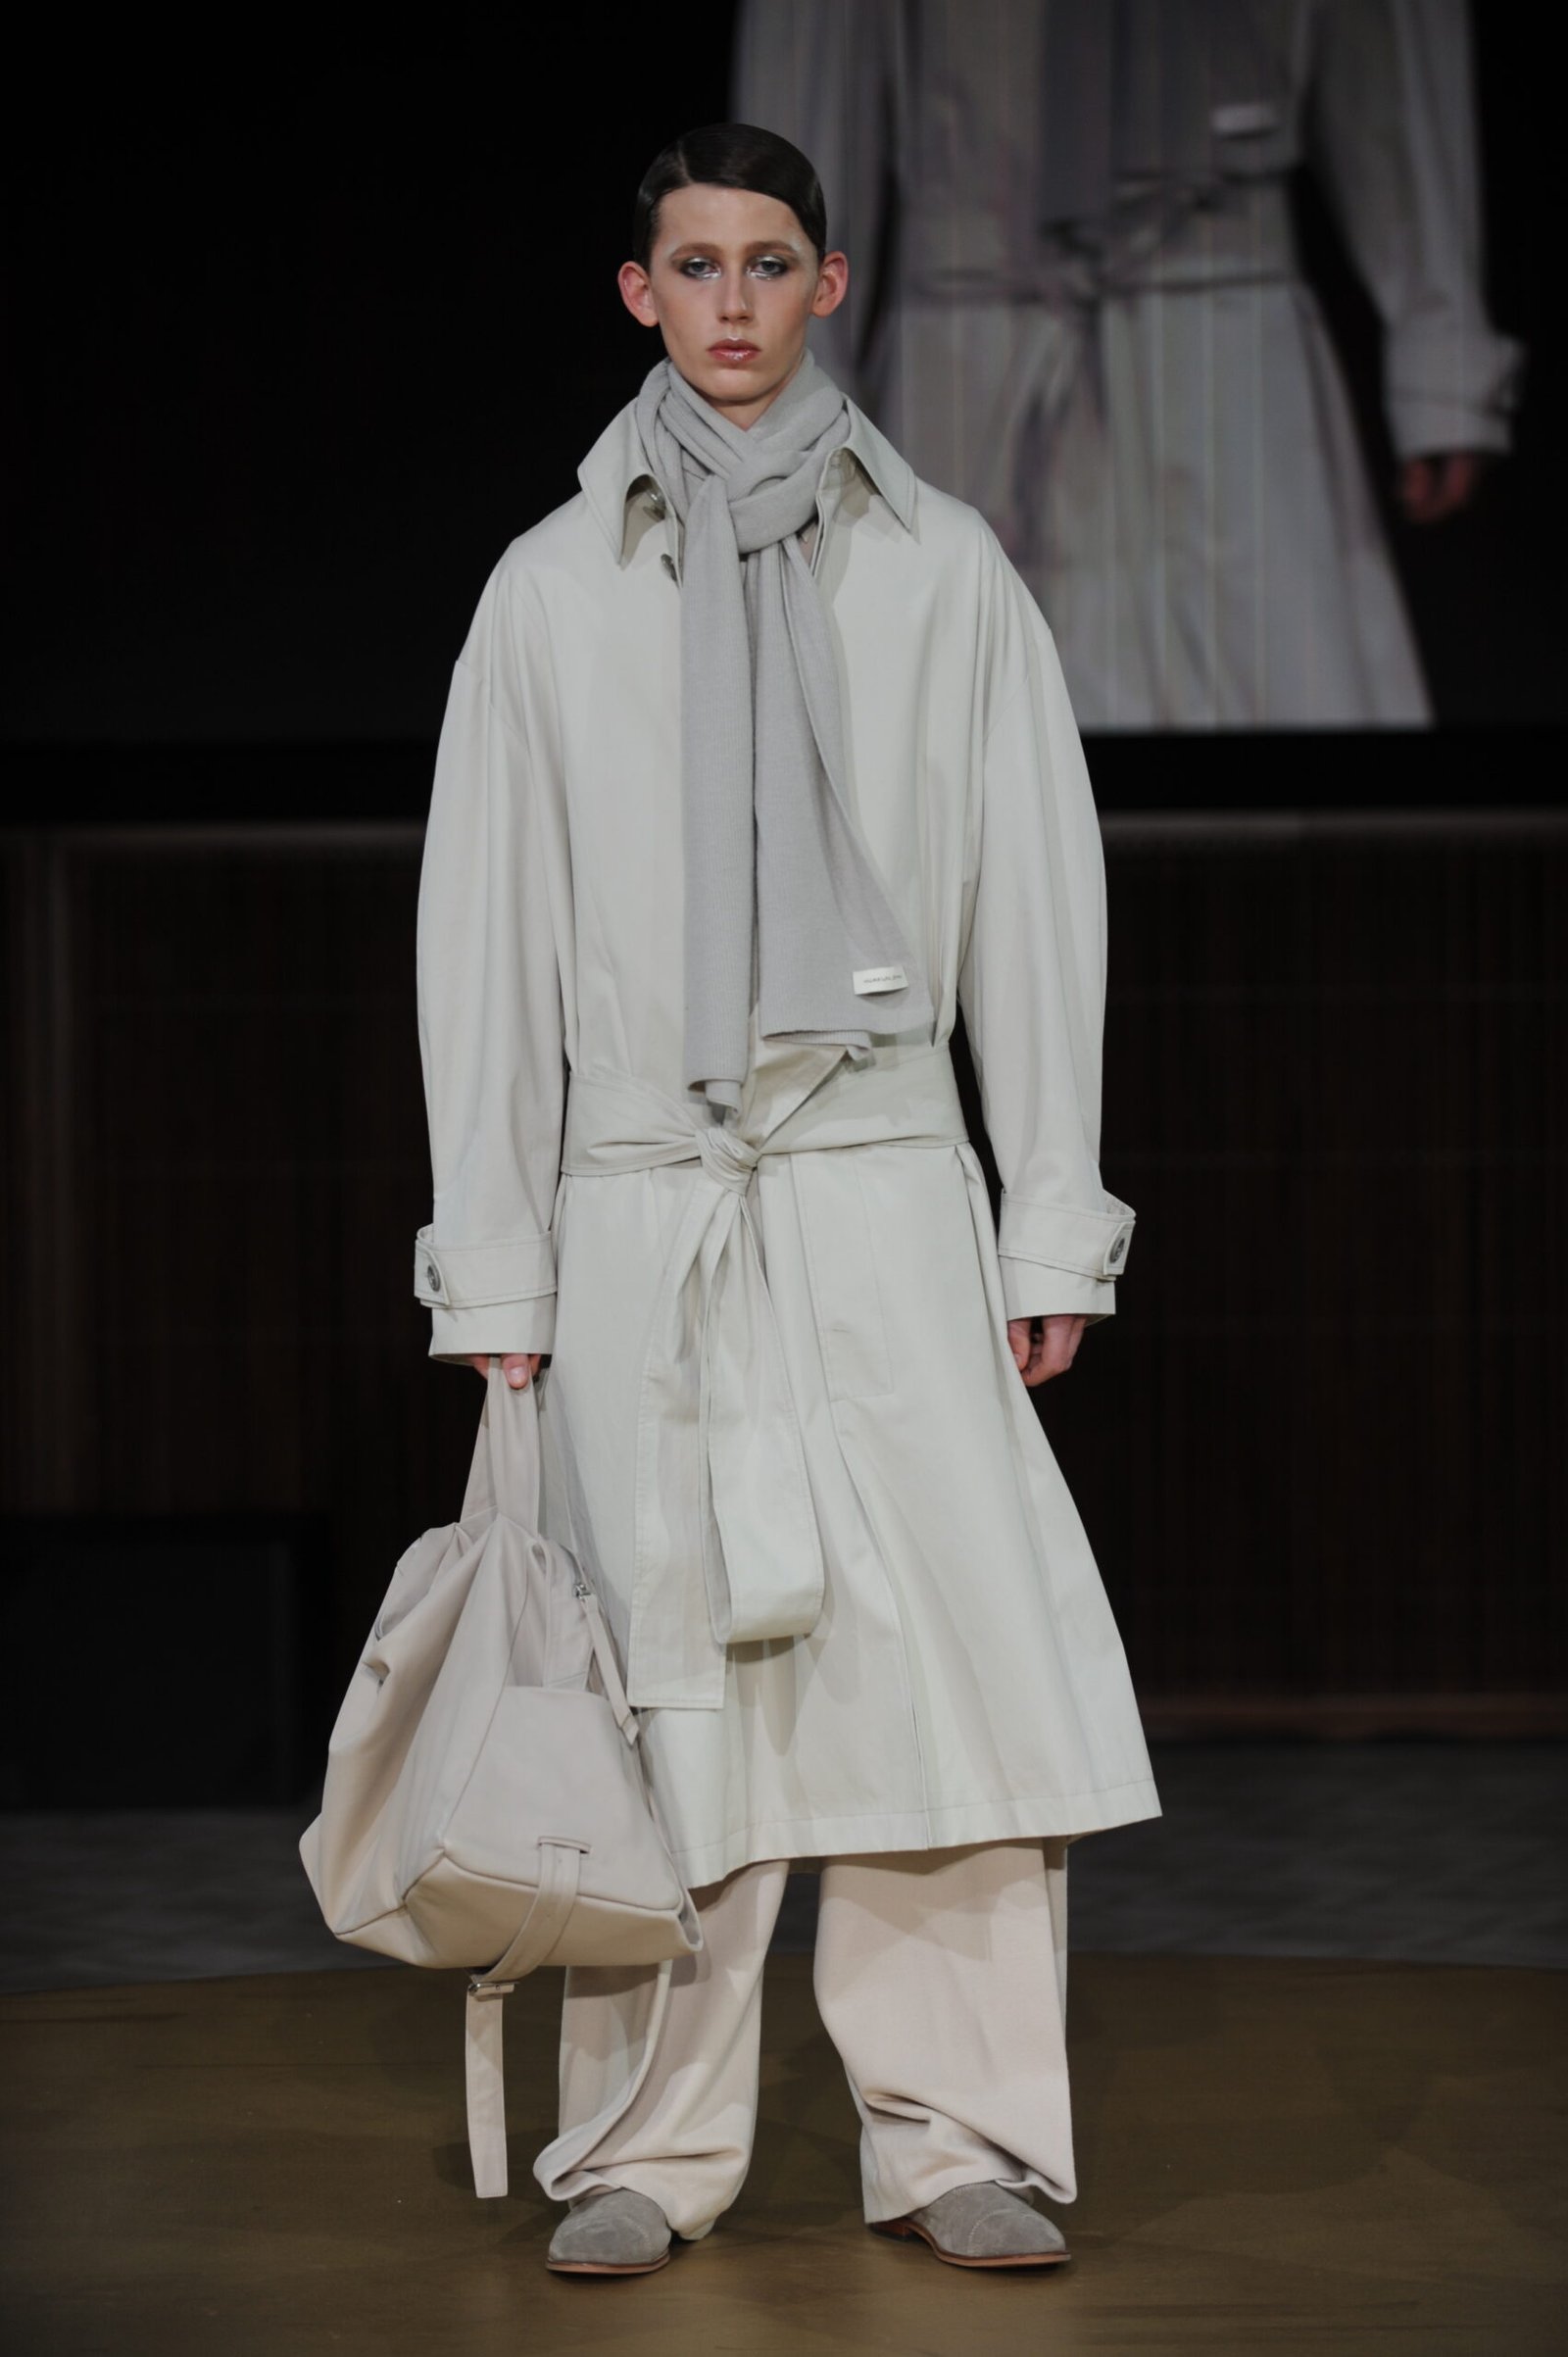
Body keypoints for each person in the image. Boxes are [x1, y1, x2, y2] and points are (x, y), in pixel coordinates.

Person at [412, 122, 1157, 2279]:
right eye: (693, 264)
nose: (729, 300)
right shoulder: (551, 591)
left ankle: (954, 2131)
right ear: (635, 291)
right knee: (662, 1673)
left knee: (942, 1670)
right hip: (650, 1200)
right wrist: (498, 1264)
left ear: (828, 284)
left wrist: (1048, 1216)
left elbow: (1036, 905)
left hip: (879, 1184)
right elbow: (485, 941)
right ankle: (646, 2148)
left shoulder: (942, 570)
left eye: (766, 262)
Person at [734, 0, 1523, 728]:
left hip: (1227, 351)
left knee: (1281, 756)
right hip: (973, 348)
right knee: (943, 753)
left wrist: (1441, 334)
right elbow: (811, 66)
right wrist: (785, 405)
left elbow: (1382, 32)